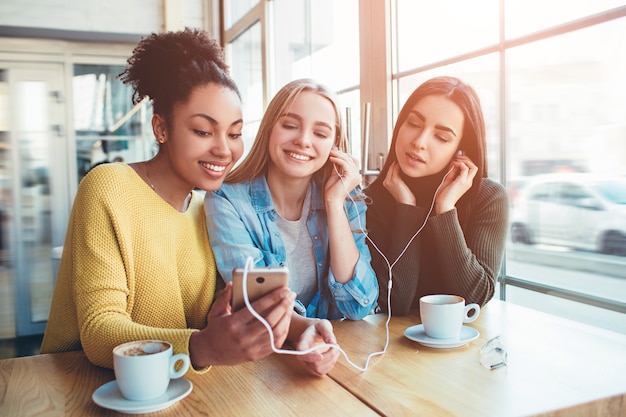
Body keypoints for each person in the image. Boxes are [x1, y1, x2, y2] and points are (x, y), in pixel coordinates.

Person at [41, 29, 332, 376]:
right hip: (77, 386)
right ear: (161, 128)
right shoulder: (109, 186)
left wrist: (303, 329)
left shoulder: (205, 208)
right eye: (203, 131)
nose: (224, 149)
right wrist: (203, 346)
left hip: (174, 386)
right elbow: (100, 331)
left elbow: (225, 313)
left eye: (235, 133)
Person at [204, 79, 378, 365]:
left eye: (320, 133)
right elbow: (258, 304)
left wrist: (335, 204)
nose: (304, 140)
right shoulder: (226, 200)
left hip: (337, 351)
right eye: (290, 125)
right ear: (270, 128)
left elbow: (358, 305)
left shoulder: (347, 198)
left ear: (334, 146)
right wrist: (307, 329)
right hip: (262, 361)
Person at [365, 76, 508, 316]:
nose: (419, 142)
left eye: (441, 137)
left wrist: (445, 208)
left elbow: (475, 299)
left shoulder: (489, 198)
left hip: (462, 347)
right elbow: (392, 302)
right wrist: (407, 207)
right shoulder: (371, 201)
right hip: (391, 349)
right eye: (413, 123)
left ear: (460, 150)